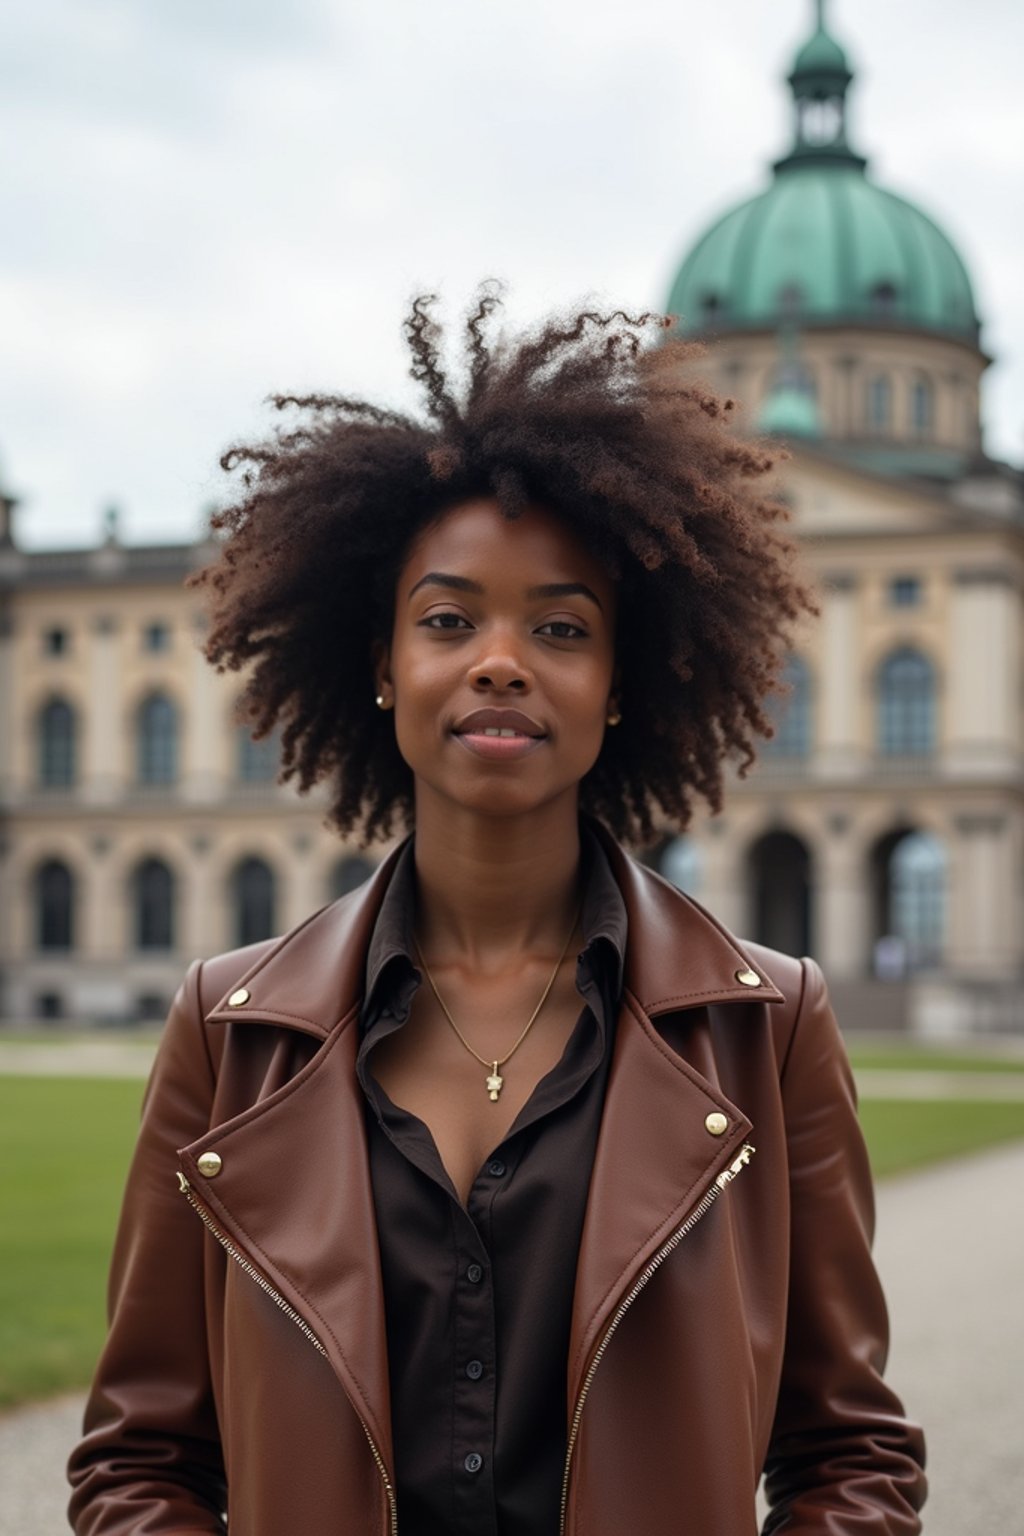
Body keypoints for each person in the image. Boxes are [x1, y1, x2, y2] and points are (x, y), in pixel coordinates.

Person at [68, 289, 926, 1535]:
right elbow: (140, 1461)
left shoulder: (770, 1025)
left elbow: (848, 1452)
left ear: (620, 682)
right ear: (381, 667)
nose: (499, 659)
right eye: (449, 619)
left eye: (561, 626)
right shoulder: (227, 1028)